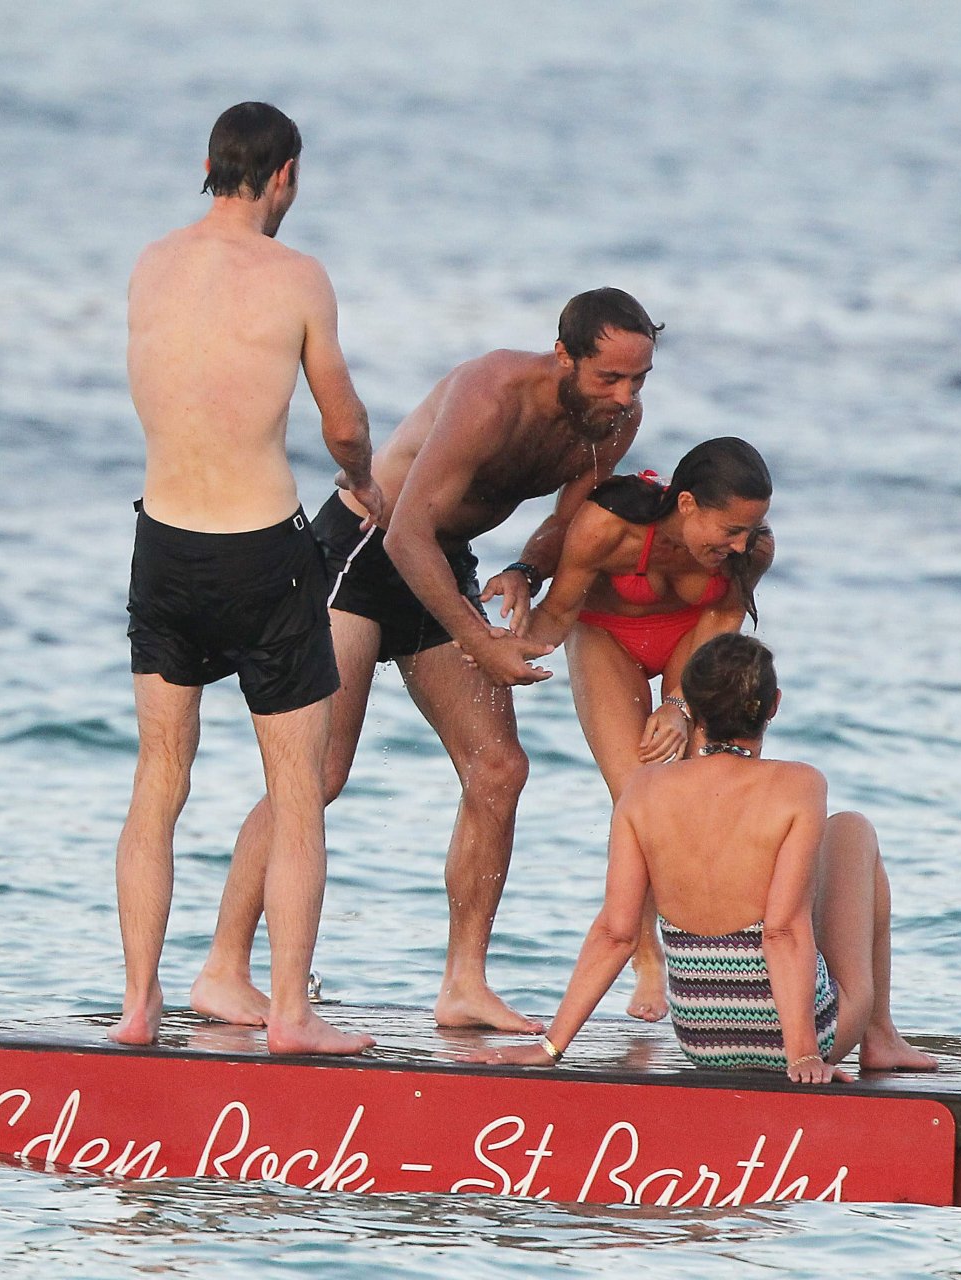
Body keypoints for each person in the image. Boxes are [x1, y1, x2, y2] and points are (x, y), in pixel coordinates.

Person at [191, 288, 663, 1034]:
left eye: (638, 379)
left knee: (498, 770)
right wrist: (480, 641)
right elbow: (405, 531)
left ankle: (463, 983)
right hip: (362, 553)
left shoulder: (613, 422)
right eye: (610, 377)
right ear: (564, 356)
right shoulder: (490, 395)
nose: (626, 396)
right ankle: (223, 968)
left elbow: (569, 518)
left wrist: (527, 570)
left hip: (443, 563)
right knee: (317, 772)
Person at [115, 102, 383, 1056]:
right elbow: (343, 424)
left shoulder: (151, 262)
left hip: (164, 546)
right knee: (297, 788)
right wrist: (362, 479)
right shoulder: (298, 276)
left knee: (159, 777)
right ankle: (290, 1014)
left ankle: (139, 1004)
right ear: (285, 177)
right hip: (263, 554)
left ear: (209, 164)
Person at [469, 633, 938, 1082]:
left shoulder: (643, 789)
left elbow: (616, 933)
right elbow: (781, 931)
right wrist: (803, 1054)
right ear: (773, 705)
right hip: (805, 1035)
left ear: (689, 708)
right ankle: (880, 1035)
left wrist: (551, 1047)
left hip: (703, 1039)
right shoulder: (800, 784)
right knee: (851, 829)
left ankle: (874, 1036)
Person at [521, 438, 774, 1022]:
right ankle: (646, 957)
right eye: (731, 530)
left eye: (751, 529)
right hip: (604, 634)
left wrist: (681, 703)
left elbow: (723, 618)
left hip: (692, 638)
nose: (742, 544)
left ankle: (719, 957)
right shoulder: (607, 526)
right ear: (687, 504)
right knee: (636, 794)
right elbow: (557, 612)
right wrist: (499, 647)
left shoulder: (752, 550)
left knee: (704, 788)